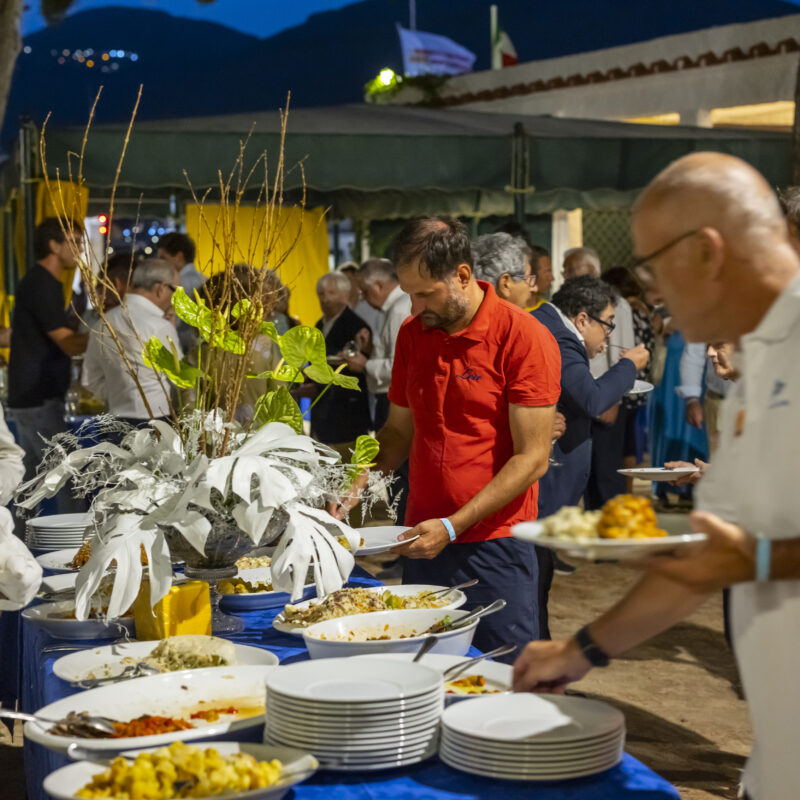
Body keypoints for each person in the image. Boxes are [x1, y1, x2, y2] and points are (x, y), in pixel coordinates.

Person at [513, 151, 800, 800]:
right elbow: (706, 559)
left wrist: (758, 558)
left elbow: (738, 557)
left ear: (706, 250)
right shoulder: (762, 356)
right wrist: (577, 650)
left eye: (651, 264)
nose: (647, 292)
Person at [343, 217, 561, 659]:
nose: (414, 306)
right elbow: (397, 432)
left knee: (503, 675)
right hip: (423, 540)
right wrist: (356, 479)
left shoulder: (524, 337)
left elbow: (533, 459)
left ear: (463, 275)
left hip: (497, 542)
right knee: (427, 669)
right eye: (408, 293)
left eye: (425, 293)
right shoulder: (412, 334)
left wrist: (453, 525)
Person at [8, 217, 88, 514]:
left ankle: (15, 544)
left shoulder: (44, 282)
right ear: (55, 245)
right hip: (36, 396)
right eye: (76, 242)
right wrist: (111, 336)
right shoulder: (42, 283)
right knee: (68, 473)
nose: (81, 249)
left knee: (28, 479)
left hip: (33, 395)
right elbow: (67, 342)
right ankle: (74, 551)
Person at [563, 246, 637, 508]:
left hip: (606, 400)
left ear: (593, 271)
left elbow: (623, 354)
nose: (565, 275)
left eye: (571, 270)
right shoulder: (571, 306)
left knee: (606, 473)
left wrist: (613, 400)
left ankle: (613, 536)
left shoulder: (615, 304)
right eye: (564, 270)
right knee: (586, 473)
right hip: (580, 399)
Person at [82, 259, 181, 426]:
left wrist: (118, 391)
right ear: (161, 289)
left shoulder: (103, 323)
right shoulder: (159, 326)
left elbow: (90, 380)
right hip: (157, 421)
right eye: (175, 290)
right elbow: (179, 377)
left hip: (114, 422)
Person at [603, 267, 656, 486]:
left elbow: (621, 348)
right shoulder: (643, 311)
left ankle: (623, 491)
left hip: (625, 380)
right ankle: (628, 490)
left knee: (620, 444)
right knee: (630, 441)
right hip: (639, 380)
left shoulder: (623, 308)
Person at [306, 272, 372, 451]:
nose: (325, 299)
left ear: (345, 295)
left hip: (347, 415)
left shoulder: (355, 326)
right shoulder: (320, 324)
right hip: (322, 412)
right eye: (321, 294)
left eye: (331, 293)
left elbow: (357, 371)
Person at [343, 258, 411, 431]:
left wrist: (365, 365)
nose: (364, 299)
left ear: (378, 286)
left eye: (365, 292)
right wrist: (369, 350)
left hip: (395, 401)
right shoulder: (397, 307)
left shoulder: (400, 309)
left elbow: (403, 365)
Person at [156, 232, 205, 353]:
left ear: (178, 256)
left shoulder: (182, 284)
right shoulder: (204, 279)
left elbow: (176, 323)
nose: (160, 263)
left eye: (163, 258)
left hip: (185, 349)